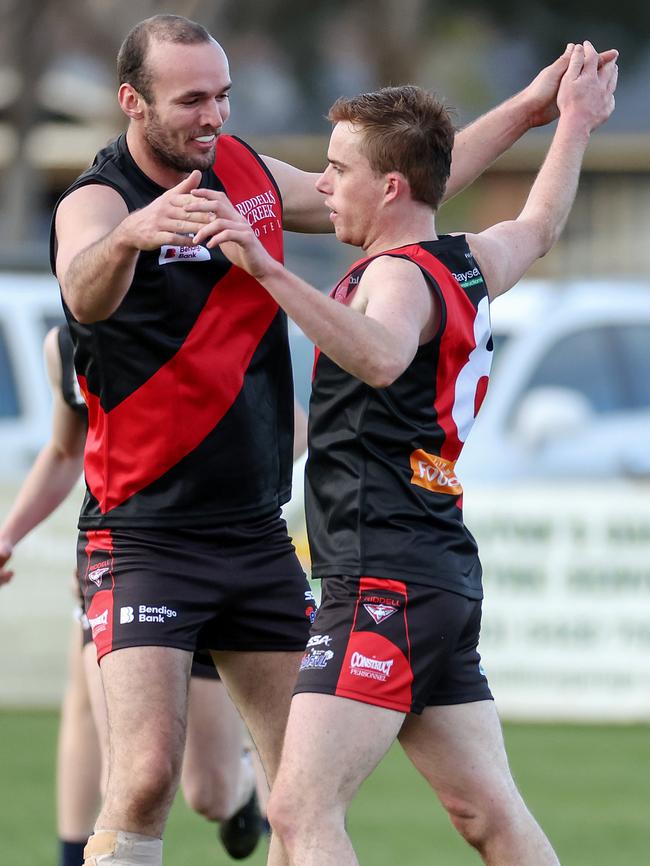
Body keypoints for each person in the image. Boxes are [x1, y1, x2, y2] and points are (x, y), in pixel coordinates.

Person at [49, 13, 613, 866]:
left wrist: (532, 113)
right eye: (192, 98)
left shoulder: (264, 190)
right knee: (154, 778)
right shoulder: (99, 199)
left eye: (224, 96)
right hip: (148, 530)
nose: (214, 115)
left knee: (299, 804)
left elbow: (398, 192)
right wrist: (130, 235)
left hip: (281, 540)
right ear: (132, 100)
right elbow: (83, 297)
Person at [0, 325, 269, 865]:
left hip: (216, 563)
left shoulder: (206, 316)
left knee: (209, 792)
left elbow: (295, 431)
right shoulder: (66, 344)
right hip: (123, 563)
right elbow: (62, 450)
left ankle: (241, 785)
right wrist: (8, 534)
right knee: (127, 772)